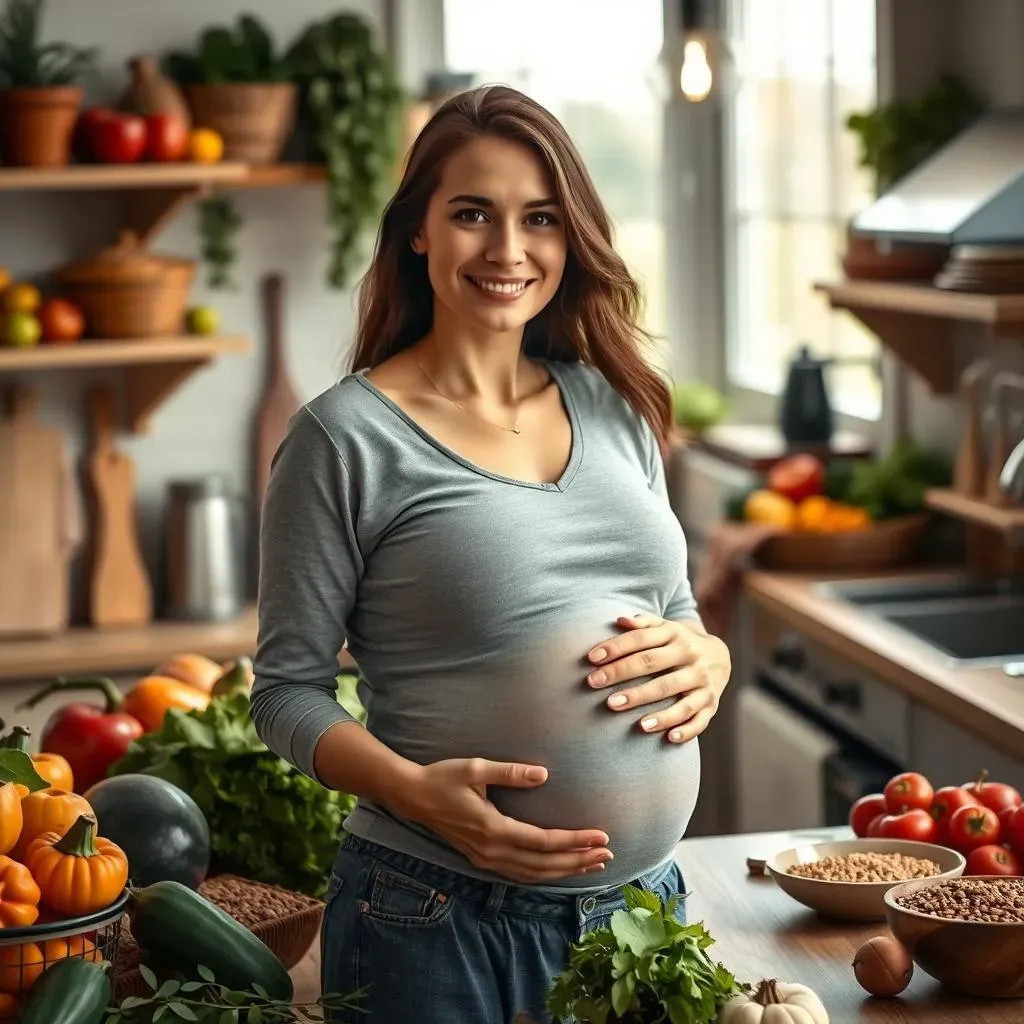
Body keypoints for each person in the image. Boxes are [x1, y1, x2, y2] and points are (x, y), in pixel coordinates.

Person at [251, 84, 732, 1024]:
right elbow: (284, 694)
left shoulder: (614, 403)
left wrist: (708, 655)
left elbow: (675, 609)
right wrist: (422, 796)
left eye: (540, 218)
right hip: (435, 918)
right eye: (472, 213)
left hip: (643, 917)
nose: (509, 251)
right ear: (419, 230)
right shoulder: (344, 440)